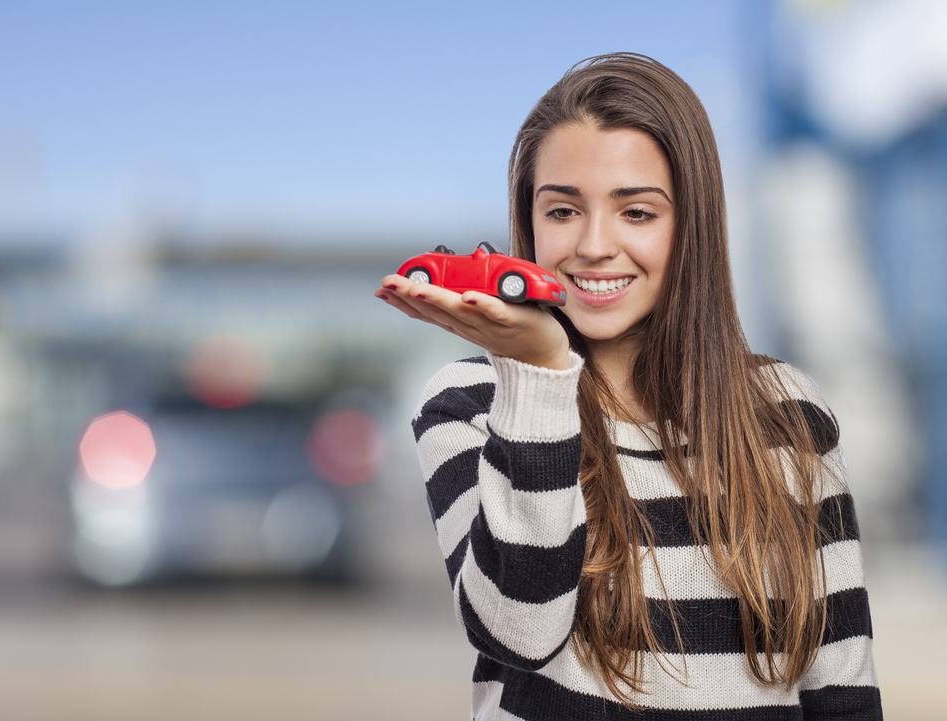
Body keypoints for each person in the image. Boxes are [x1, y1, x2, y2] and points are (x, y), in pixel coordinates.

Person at [375, 53, 881, 720]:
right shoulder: (471, 403)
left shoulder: (789, 411)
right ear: (528, 223)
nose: (593, 245)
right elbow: (516, 632)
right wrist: (540, 375)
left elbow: (842, 686)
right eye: (562, 210)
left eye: (636, 212)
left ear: (690, 225)